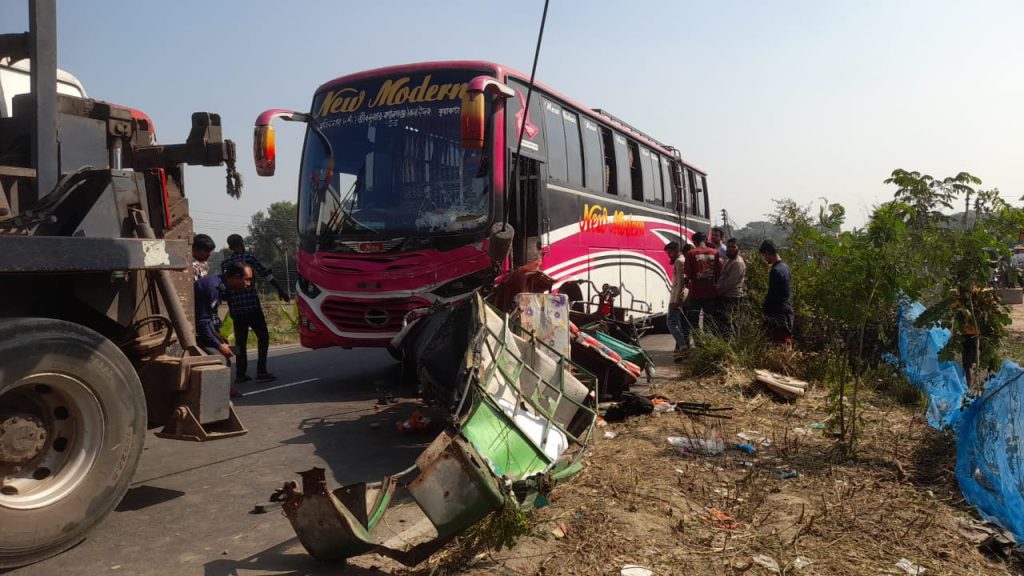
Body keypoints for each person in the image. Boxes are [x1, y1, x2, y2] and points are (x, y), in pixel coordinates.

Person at [221, 234, 290, 384]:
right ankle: (261, 370)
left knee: (240, 342)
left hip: (236, 309)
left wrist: (231, 308)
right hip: (252, 305)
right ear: (241, 244)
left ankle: (240, 373)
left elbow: (226, 287)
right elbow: (266, 275)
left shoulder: (225, 263)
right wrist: (281, 290)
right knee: (263, 336)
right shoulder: (249, 258)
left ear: (230, 246)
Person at [194, 260, 253, 397]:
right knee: (220, 357)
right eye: (247, 280)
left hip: (205, 327)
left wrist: (218, 337)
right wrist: (218, 345)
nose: (248, 284)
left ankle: (225, 388)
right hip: (195, 332)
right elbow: (202, 322)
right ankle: (220, 392)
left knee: (233, 350)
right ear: (236, 277)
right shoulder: (211, 288)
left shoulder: (219, 287)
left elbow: (209, 317)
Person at [682, 231, 721, 346]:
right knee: (709, 320)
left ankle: (699, 345)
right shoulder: (715, 252)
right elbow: (718, 274)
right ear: (705, 241)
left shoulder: (690, 253)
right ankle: (710, 344)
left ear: (694, 241)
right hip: (711, 292)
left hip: (696, 293)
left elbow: (687, 275)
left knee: (694, 320)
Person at [759, 240, 794, 345]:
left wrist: (766, 310)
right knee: (785, 344)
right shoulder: (785, 267)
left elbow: (772, 295)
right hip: (787, 311)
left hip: (778, 313)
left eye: (764, 255)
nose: (764, 259)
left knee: (778, 344)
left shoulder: (776, 271)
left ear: (768, 253)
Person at [716, 238, 746, 336]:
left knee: (730, 323)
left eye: (733, 247)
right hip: (725, 296)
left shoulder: (738, 263)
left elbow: (730, 282)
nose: (730, 249)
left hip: (732, 297)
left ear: (738, 249)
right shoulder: (728, 260)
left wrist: (718, 292)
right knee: (724, 323)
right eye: (729, 247)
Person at [664, 241, 688, 360]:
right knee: (678, 323)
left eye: (670, 252)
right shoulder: (681, 260)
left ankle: (683, 346)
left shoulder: (679, 261)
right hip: (676, 296)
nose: (669, 255)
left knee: (670, 322)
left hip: (676, 298)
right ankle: (680, 347)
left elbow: (681, 282)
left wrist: (677, 299)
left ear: (676, 250)